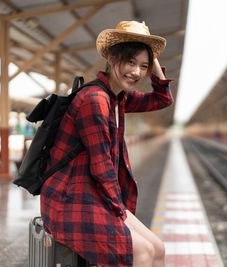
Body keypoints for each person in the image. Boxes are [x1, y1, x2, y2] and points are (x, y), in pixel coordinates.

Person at [40, 21, 174, 267]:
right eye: (130, 62)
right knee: (142, 252)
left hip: (92, 194)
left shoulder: (118, 97)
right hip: (69, 200)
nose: (137, 72)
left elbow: (162, 99)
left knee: (158, 248)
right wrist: (119, 212)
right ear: (112, 58)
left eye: (143, 66)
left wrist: (153, 59)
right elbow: (102, 165)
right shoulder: (95, 100)